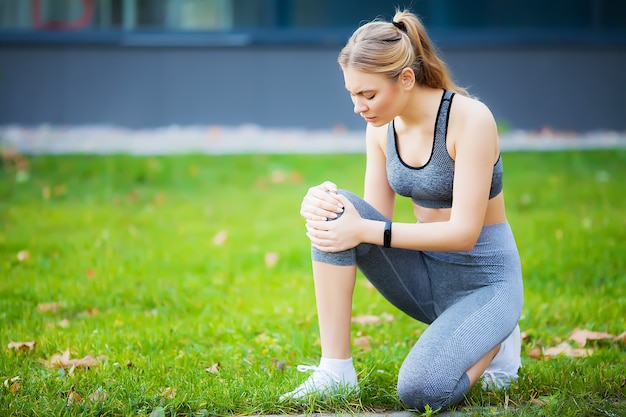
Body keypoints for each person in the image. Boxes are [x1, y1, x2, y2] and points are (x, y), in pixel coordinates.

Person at [279, 8, 524, 413]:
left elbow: (464, 234)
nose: (358, 107)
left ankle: (496, 337)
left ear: (406, 79)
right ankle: (335, 369)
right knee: (334, 208)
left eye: (368, 94)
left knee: (421, 392)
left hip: (486, 284)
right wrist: (324, 205)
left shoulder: (470, 120)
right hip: (425, 278)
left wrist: (363, 230)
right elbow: (373, 218)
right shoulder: (380, 127)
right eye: (352, 94)